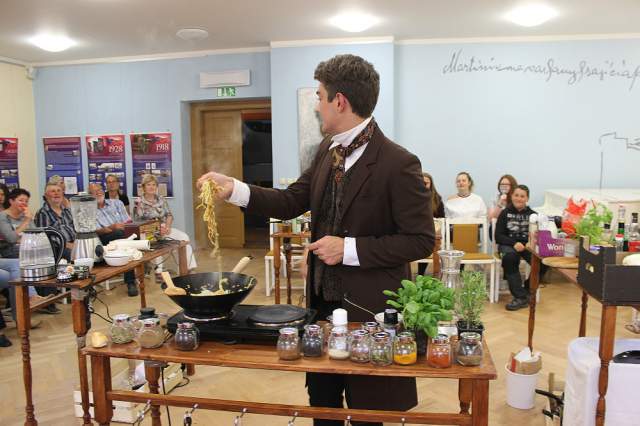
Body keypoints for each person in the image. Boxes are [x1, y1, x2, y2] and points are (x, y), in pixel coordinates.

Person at [197, 54, 434, 426]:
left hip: (369, 311)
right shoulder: (327, 149)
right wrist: (236, 190)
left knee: (367, 408)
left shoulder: (399, 163)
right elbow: (293, 200)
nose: (316, 104)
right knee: (322, 403)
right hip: (321, 306)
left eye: (320, 96)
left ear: (340, 101)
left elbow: (420, 241)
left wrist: (348, 249)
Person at [495, 184, 548, 311]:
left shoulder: (534, 215)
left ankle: (526, 290)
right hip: (508, 245)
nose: (518, 198)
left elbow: (539, 235)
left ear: (527, 198)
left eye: (522, 196)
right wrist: (514, 243)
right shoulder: (504, 213)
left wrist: (528, 243)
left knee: (544, 262)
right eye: (516, 195)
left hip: (528, 246)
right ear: (512, 196)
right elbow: (498, 236)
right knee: (510, 258)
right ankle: (520, 297)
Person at [0, 189, 51, 317]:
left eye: (26, 201)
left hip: (27, 249)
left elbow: (36, 234)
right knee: (28, 261)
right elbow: (11, 238)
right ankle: (33, 299)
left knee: (48, 254)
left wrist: (27, 222)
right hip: (9, 251)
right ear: (11, 201)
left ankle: (41, 301)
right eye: (21, 200)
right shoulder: (3, 217)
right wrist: (26, 221)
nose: (24, 203)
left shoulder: (25, 215)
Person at [133, 174, 197, 274]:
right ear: (143, 187)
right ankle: (159, 271)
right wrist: (156, 229)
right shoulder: (139, 201)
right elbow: (137, 221)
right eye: (148, 185)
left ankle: (187, 268)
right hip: (147, 232)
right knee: (157, 243)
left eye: (154, 184)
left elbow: (169, 215)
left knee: (184, 238)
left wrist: (167, 227)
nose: (151, 187)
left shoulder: (161, 199)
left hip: (163, 228)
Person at [88, 183, 138, 296]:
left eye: (100, 190)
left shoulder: (117, 203)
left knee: (132, 235)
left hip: (122, 234)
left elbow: (128, 221)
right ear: (90, 195)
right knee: (123, 238)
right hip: (103, 238)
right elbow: (94, 231)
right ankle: (130, 282)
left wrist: (126, 227)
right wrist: (111, 228)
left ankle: (132, 279)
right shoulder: (88, 209)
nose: (98, 192)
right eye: (94, 191)